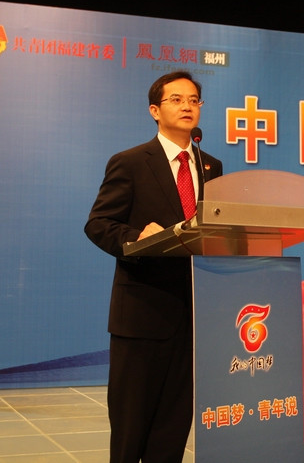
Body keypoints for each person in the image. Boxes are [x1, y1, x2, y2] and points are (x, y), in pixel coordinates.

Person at [85, 71, 223, 463]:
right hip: (143, 314)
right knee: (131, 428)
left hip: (193, 315)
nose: (186, 106)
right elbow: (98, 224)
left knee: (173, 427)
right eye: (176, 99)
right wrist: (136, 238)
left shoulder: (211, 166)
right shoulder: (130, 162)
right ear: (154, 110)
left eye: (193, 100)